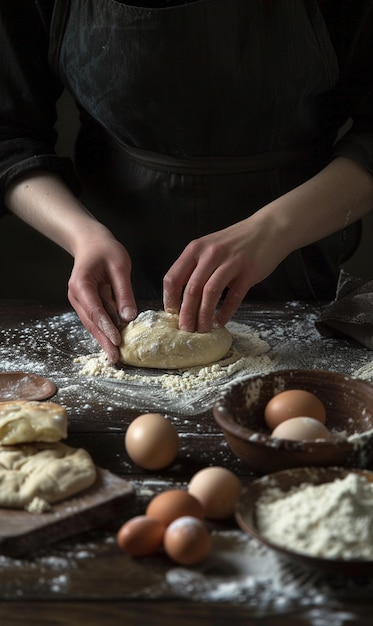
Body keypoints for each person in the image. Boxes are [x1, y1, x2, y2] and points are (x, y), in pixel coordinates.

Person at [1, 0, 373, 364]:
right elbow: (8, 135)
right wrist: (82, 235)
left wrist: (275, 228)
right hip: (120, 255)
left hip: (298, 252)